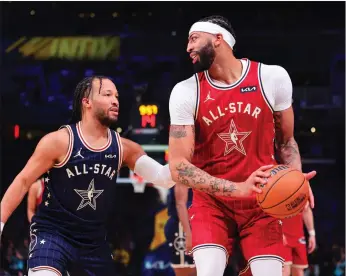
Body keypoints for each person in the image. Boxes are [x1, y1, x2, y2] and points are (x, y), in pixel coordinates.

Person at [168, 15, 316, 276]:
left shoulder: (272, 77)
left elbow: (286, 142)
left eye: (193, 39)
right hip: (212, 203)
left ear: (218, 39)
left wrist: (296, 178)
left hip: (262, 201)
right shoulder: (186, 91)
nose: (188, 47)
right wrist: (238, 188)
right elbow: (179, 167)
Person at [0, 76, 177, 276]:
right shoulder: (59, 142)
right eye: (107, 94)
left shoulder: (124, 148)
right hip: (52, 235)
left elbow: (163, 177)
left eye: (117, 96)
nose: (115, 100)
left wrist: (194, 159)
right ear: (87, 102)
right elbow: (23, 181)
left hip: (93, 242)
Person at [164, 184, 196, 276]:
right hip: (182, 225)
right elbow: (180, 204)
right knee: (188, 271)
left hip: (196, 223)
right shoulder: (185, 171)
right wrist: (188, 234)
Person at [282, 205, 317, 276]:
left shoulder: (303, 193)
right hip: (281, 235)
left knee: (299, 271)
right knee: (284, 271)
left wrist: (312, 234)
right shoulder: (274, 194)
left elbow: (306, 209)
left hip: (298, 237)